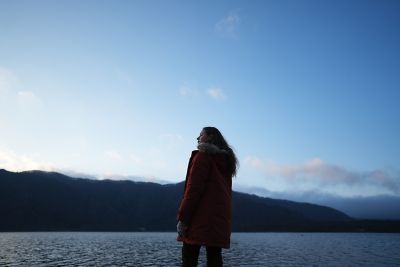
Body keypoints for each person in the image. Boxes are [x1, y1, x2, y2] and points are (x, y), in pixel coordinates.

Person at [177, 127, 238, 267]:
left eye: (201, 134)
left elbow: (193, 190)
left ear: (210, 137)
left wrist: (183, 218)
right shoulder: (225, 162)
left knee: (189, 258)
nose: (198, 138)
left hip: (198, 220)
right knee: (215, 258)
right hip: (218, 221)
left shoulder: (202, 157)